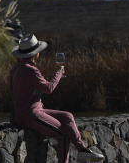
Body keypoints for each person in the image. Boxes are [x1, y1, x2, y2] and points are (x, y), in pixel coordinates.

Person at [9, 34, 104, 163]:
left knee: (67, 116)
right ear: (35, 54)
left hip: (26, 113)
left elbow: (13, 94)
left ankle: (82, 150)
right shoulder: (30, 70)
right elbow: (49, 88)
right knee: (63, 135)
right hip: (31, 114)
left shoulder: (15, 69)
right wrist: (59, 72)